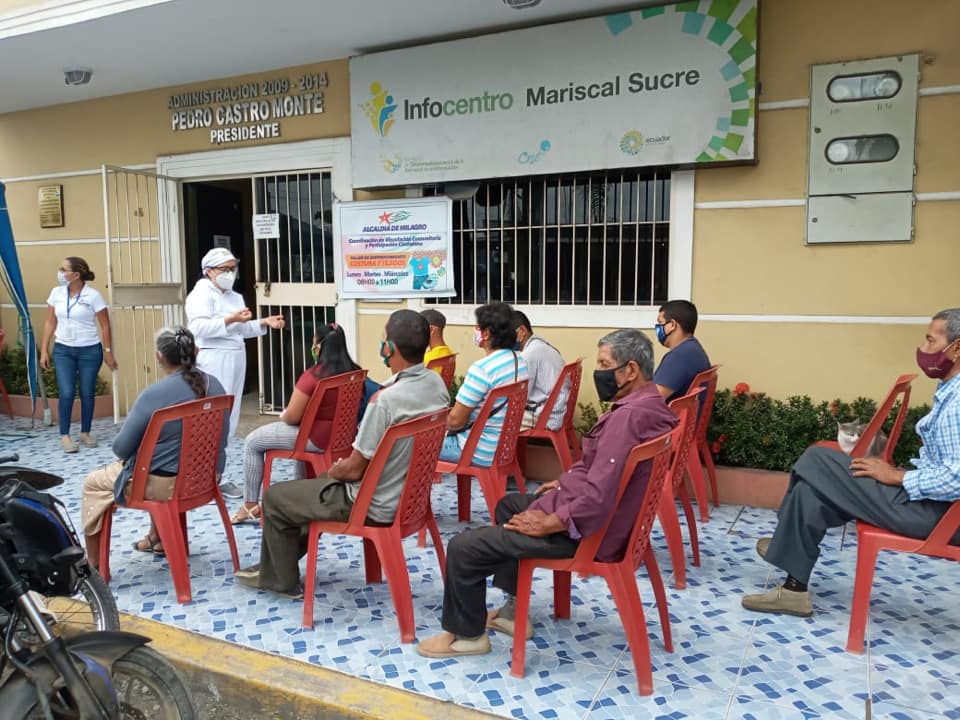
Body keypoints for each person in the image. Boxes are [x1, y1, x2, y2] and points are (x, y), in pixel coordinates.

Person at [416, 329, 678, 658]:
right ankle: (513, 611)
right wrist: (566, 483)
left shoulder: (628, 418)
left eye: (604, 364)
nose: (599, 371)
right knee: (509, 505)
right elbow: (601, 470)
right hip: (607, 521)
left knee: (463, 547)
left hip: (589, 533)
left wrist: (551, 522)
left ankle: (467, 637)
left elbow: (598, 496)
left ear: (631, 370)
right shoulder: (651, 406)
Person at [741, 308, 960, 618]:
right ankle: (793, 592)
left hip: (938, 515)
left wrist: (897, 477)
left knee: (817, 458)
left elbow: (956, 479)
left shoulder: (958, 402)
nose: (923, 349)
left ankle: (783, 541)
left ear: (956, 348)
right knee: (810, 493)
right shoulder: (949, 390)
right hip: (929, 503)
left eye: (930, 340)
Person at [234, 309, 449, 598]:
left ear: (389, 349)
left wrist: (338, 470)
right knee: (309, 490)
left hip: (371, 502)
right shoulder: (435, 384)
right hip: (408, 497)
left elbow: (354, 469)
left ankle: (280, 581)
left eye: (383, 339)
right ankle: (274, 566)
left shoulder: (385, 401)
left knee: (276, 497)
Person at [80, 327, 228, 565]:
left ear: (160, 357)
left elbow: (121, 448)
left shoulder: (154, 395)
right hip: (204, 478)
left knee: (93, 483)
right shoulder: (216, 385)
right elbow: (223, 437)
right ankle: (157, 537)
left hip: (166, 485)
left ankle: (94, 566)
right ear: (196, 351)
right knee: (156, 460)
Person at [230, 322, 380, 524]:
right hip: (343, 437)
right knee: (300, 452)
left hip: (314, 438)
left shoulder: (313, 376)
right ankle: (300, 499)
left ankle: (250, 505)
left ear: (318, 348)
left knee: (252, 442)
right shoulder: (354, 372)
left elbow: (292, 416)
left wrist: (284, 415)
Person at [185, 247, 284, 497]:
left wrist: (263, 323)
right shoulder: (200, 295)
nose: (231, 273)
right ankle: (201, 479)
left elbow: (242, 329)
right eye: (225, 269)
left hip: (236, 357)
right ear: (209, 271)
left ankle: (219, 475)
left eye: (233, 268)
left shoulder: (234, 296)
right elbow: (198, 328)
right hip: (213, 358)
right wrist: (230, 320)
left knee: (230, 419)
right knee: (212, 418)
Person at [40, 257, 118, 453]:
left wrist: (108, 352)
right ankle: (65, 435)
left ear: (76, 275)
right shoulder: (56, 293)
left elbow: (105, 325)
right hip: (63, 350)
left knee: (87, 392)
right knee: (66, 392)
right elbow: (50, 322)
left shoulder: (93, 296)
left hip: (89, 350)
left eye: (63, 269)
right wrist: (44, 350)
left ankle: (85, 432)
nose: (60, 272)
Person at [439, 302, 528, 466]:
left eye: (477, 328)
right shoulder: (519, 361)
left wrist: (432, 424)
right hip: (504, 448)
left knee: (410, 447)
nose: (475, 332)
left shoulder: (482, 369)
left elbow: (456, 421)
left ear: (486, 333)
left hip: (476, 450)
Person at [513, 311, 566, 431]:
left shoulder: (529, 355)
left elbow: (521, 397)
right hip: (557, 408)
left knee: (495, 422)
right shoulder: (540, 345)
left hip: (547, 416)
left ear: (522, 331)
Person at [652, 299, 711, 402]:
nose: (658, 327)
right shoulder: (693, 349)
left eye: (660, 322)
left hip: (670, 413)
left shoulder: (679, 356)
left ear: (672, 325)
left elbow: (650, 399)